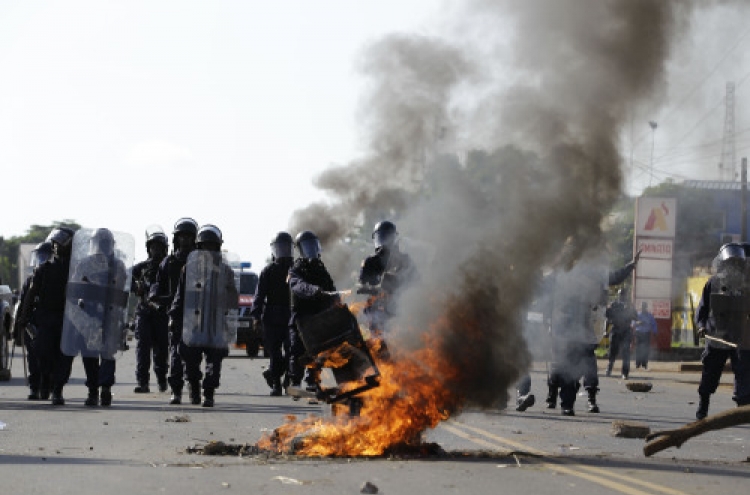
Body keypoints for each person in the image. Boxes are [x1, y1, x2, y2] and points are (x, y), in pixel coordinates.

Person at [546, 247, 639, 416]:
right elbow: (541, 286)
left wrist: (630, 266)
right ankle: (559, 398)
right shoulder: (559, 274)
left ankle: (572, 402)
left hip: (583, 330)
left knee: (582, 367)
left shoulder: (591, 273)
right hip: (562, 330)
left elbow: (613, 277)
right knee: (560, 368)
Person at [170, 224, 238, 407]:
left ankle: (209, 393)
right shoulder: (188, 269)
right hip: (193, 323)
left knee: (214, 363)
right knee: (190, 361)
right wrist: (174, 317)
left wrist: (229, 318)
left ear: (217, 248)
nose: (208, 251)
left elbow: (233, 299)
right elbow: (180, 296)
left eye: (212, 247)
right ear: (198, 248)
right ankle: (193, 386)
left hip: (216, 324)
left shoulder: (226, 271)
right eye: (204, 247)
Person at [62, 228, 130, 407]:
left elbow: (121, 290)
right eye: (100, 243)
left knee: (108, 353)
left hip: (110, 315)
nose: (102, 246)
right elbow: (76, 288)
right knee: (89, 354)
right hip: (89, 315)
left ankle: (105, 389)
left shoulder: (118, 265)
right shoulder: (84, 264)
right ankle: (93, 391)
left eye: (105, 243)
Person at [15, 227, 76, 405]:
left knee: (64, 357)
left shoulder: (76, 271)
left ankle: (57, 390)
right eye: (54, 244)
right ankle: (46, 380)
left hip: (68, 319)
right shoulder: (44, 269)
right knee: (42, 352)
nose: (56, 247)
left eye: (59, 244)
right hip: (46, 317)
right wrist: (23, 316)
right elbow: (31, 293)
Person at [694, 243, 750, 420]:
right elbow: (702, 309)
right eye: (730, 264)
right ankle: (703, 406)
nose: (733, 268)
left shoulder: (748, 284)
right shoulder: (713, 283)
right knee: (710, 372)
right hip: (716, 334)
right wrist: (701, 326)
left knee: (744, 372)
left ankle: (742, 409)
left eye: (737, 264)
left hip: (740, 335)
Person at [150, 217, 198, 405]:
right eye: (181, 236)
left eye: (188, 236)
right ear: (176, 239)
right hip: (175, 314)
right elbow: (157, 284)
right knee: (176, 354)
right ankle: (176, 390)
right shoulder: (168, 262)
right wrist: (154, 296)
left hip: (196, 314)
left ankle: (194, 389)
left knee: (193, 356)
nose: (185, 240)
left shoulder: (201, 260)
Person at [287, 230, 339, 392]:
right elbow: (298, 286)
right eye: (306, 247)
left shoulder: (322, 271)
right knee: (297, 350)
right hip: (301, 317)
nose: (311, 250)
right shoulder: (295, 270)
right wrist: (314, 290)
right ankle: (295, 381)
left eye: (313, 246)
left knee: (319, 349)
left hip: (319, 317)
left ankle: (312, 380)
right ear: (300, 250)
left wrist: (337, 301)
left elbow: (332, 290)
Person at [250, 232, 294, 396]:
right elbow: (259, 295)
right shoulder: (268, 271)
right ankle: (275, 383)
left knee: (292, 352)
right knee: (275, 353)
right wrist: (256, 317)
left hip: (291, 317)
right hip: (272, 318)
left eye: (286, 247)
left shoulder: (296, 269)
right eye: (280, 248)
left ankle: (287, 381)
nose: (283, 251)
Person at [358, 220, 417, 339]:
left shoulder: (405, 260)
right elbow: (361, 288)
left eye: (388, 237)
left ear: (395, 238)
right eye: (382, 237)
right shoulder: (370, 262)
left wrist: (399, 282)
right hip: (378, 310)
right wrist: (378, 287)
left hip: (401, 308)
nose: (385, 241)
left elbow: (417, 283)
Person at [12, 241, 54, 400]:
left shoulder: (56, 277)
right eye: (39, 256)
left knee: (48, 356)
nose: (41, 260)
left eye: (44, 256)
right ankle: (34, 387)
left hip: (49, 321)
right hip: (33, 322)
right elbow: (23, 301)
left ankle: (47, 385)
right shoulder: (30, 280)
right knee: (32, 356)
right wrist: (20, 323)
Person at [131, 226, 170, 393]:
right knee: (143, 348)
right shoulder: (140, 268)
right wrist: (136, 288)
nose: (156, 251)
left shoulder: (170, 265)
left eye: (159, 248)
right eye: (153, 247)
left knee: (162, 348)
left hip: (162, 313)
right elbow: (128, 280)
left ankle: (162, 379)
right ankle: (143, 382)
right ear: (148, 249)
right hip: (144, 312)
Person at [605, 288, 638, 380]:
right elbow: (607, 317)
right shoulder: (614, 305)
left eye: (624, 295)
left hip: (626, 330)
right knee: (612, 351)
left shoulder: (630, 306)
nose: (622, 296)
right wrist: (605, 330)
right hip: (616, 329)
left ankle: (625, 373)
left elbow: (636, 317)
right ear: (618, 296)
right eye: (621, 295)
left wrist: (630, 312)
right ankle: (609, 369)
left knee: (626, 352)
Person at [633, 301, 657, 370]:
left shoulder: (650, 316)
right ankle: (638, 363)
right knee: (638, 349)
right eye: (642, 307)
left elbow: (654, 324)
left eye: (644, 307)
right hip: (639, 333)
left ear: (646, 308)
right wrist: (638, 322)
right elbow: (633, 323)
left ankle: (644, 364)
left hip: (646, 333)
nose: (643, 308)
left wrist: (655, 332)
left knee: (646, 349)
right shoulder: (637, 315)